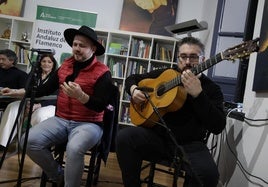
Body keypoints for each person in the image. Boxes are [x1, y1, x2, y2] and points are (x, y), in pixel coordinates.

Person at [116, 36, 226, 187]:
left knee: (209, 175)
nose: (188, 62)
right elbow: (133, 78)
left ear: (202, 59)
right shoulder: (167, 74)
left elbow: (218, 126)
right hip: (157, 138)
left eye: (193, 56)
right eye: (183, 56)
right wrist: (133, 90)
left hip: (190, 145)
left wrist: (199, 95)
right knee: (124, 137)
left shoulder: (211, 88)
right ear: (178, 58)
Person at [19, 25, 113, 187]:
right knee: (27, 141)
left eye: (82, 46)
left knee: (74, 148)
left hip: (89, 124)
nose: (76, 48)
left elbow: (101, 106)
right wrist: (17, 91)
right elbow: (44, 89)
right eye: (75, 44)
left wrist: (81, 96)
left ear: (93, 48)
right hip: (61, 120)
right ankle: (58, 176)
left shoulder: (102, 72)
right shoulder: (65, 66)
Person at [0, 53, 58, 151]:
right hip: (31, 102)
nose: (46, 64)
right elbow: (27, 91)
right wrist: (15, 93)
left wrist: (39, 105)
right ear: (40, 63)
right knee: (12, 106)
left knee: (40, 115)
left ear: (53, 64)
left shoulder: (56, 77)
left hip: (48, 104)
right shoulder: (34, 75)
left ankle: (38, 146)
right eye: (43, 61)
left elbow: (57, 97)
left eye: (49, 62)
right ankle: (3, 142)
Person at [0, 49, 27, 151]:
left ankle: (2, 143)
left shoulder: (21, 74)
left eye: (3, 59)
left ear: (12, 61)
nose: (0, 61)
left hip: (10, 103)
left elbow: (24, 92)